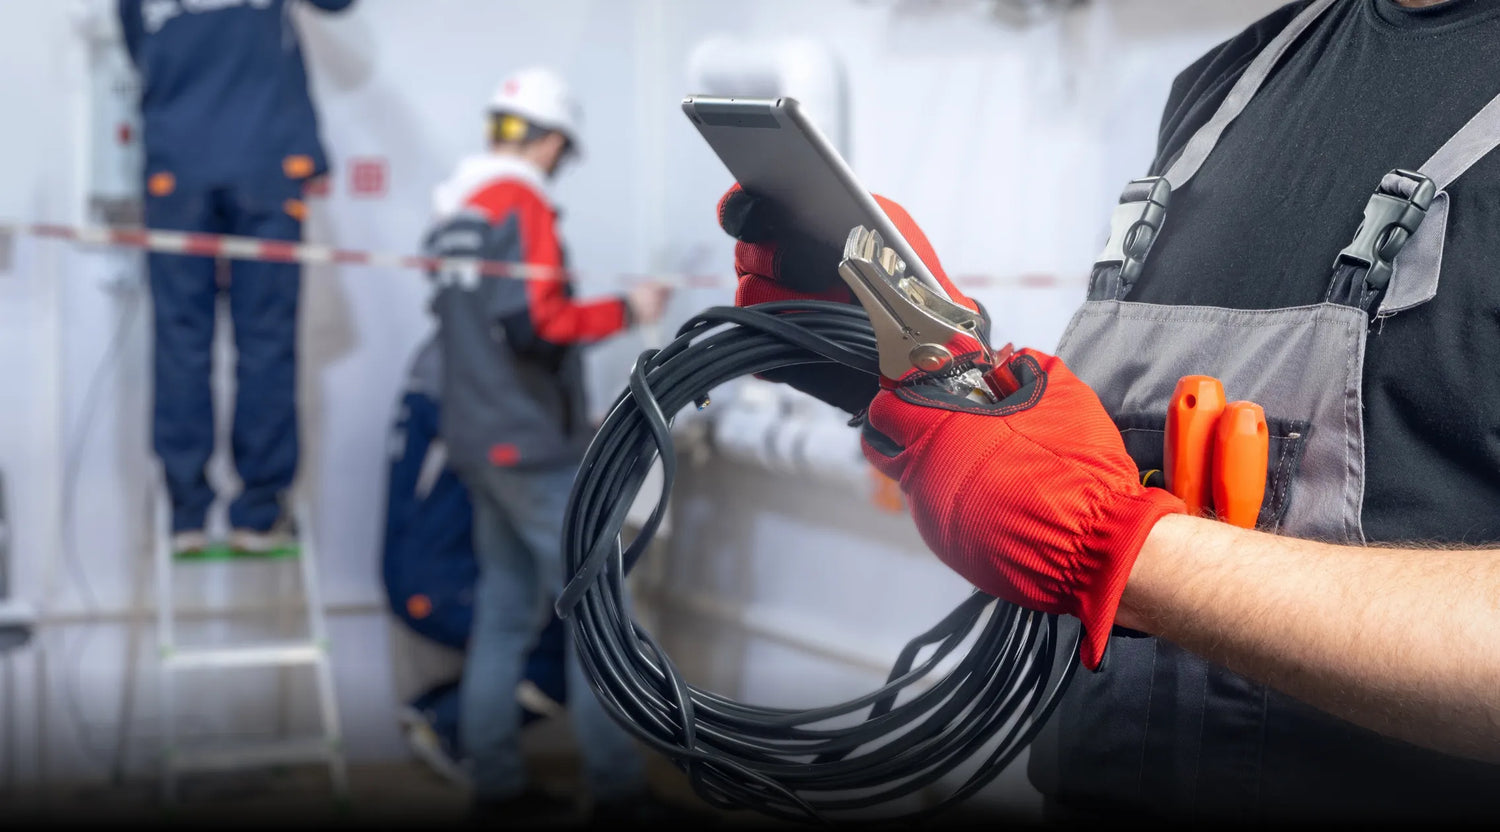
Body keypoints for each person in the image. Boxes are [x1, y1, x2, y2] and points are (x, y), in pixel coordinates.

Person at [715, 0, 1500, 822]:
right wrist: (933, 367)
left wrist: (1115, 548)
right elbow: (1118, 453)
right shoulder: (1233, 83)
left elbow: (1107, 523)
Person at [423, 67, 674, 823]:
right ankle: (619, 794)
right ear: (554, 139)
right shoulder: (522, 201)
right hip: (531, 452)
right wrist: (628, 309)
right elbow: (538, 322)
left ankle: (496, 789)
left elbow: (479, 333)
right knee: (599, 614)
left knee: (504, 614)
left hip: (476, 438)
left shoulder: (457, 208)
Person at [119, 0, 355, 555]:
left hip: (179, 162)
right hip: (264, 161)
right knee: (265, 339)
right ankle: (257, 510)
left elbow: (138, 50)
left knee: (181, 340)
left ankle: (187, 512)